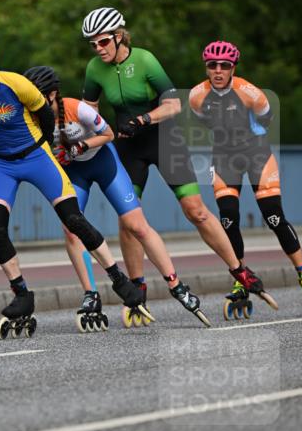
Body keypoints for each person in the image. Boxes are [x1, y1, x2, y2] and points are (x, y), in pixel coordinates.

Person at [0, 30, 149, 334]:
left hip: (36, 157)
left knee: (74, 220)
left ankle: (119, 280)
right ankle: (22, 294)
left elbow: (45, 116)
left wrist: (39, 146)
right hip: (0, 164)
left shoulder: (17, 85)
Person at [80, 6, 276, 310]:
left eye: (103, 41)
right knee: (128, 219)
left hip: (164, 140)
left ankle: (240, 270)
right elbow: (87, 110)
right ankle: (137, 288)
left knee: (195, 211)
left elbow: (173, 104)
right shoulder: (95, 68)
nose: (98, 49)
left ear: (119, 36)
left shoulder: (145, 60)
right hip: (128, 148)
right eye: (92, 44)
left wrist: (144, 119)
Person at [23, 65, 210, 327]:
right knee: (70, 229)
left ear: (52, 94)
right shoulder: (32, 118)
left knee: (136, 226)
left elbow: (108, 134)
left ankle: (176, 284)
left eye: (37, 96)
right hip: (76, 171)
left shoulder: (77, 108)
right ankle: (90, 294)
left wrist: (82, 145)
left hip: (103, 162)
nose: (32, 103)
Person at [189, 40, 302, 316]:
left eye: (224, 66)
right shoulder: (196, 96)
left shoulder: (250, 92)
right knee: (228, 218)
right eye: (212, 65)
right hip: (225, 158)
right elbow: (203, 119)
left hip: (257, 153)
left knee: (273, 216)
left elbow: (266, 118)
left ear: (233, 67)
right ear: (206, 67)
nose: (217, 70)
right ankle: (240, 279)